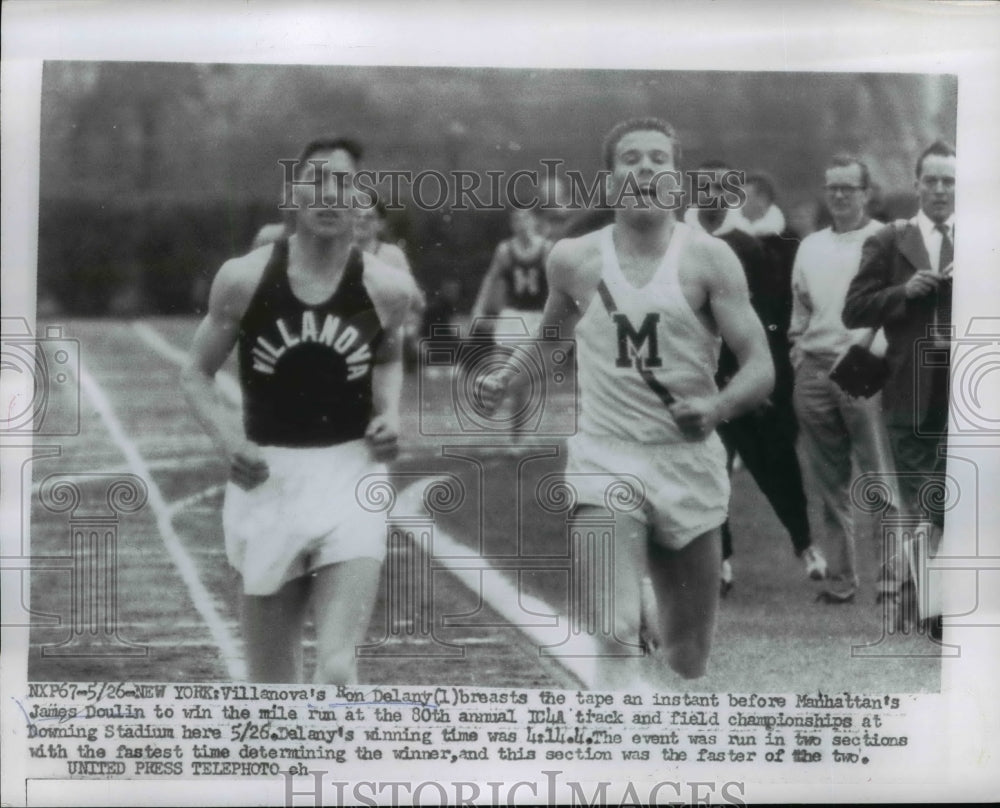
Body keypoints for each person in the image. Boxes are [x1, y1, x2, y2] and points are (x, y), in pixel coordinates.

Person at [482, 118, 774, 686]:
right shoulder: (573, 259)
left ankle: (647, 595)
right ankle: (612, 755)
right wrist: (508, 380)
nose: (644, 168)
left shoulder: (710, 260)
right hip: (604, 457)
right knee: (613, 631)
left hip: (685, 461)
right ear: (610, 177)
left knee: (687, 658)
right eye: (630, 159)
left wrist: (716, 409)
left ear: (676, 177)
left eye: (658, 159)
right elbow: (551, 337)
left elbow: (761, 366)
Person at [181, 135, 417, 683]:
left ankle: (337, 757)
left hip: (352, 472)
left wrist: (390, 414)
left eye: (345, 183)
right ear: (293, 193)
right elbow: (194, 373)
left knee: (336, 668)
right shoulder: (244, 279)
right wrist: (228, 440)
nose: (330, 195)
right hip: (269, 476)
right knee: (274, 692)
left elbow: (386, 359)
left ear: (361, 199)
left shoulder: (387, 288)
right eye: (316, 179)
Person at [687, 162, 823, 594]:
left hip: (742, 376)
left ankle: (804, 544)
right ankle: (721, 560)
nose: (710, 195)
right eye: (702, 187)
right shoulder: (678, 242)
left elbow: (766, 317)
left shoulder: (747, 246)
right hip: (696, 377)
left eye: (719, 187)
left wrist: (761, 379)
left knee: (775, 463)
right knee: (709, 470)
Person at [843, 140, 955, 632]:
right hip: (910, 391)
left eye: (949, 180)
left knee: (962, 501)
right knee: (923, 502)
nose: (939, 189)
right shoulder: (891, 241)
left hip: (972, 394)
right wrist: (903, 292)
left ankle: (937, 602)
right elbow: (854, 309)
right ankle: (931, 608)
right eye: (930, 180)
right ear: (916, 184)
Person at [789, 155, 899, 603]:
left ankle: (892, 579)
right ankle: (841, 581)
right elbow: (799, 306)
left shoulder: (885, 240)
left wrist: (875, 354)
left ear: (865, 192)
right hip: (814, 369)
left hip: (861, 365)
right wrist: (798, 348)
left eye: (848, 188)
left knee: (877, 477)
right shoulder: (810, 245)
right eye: (832, 187)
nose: (838, 195)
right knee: (830, 484)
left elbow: (896, 307)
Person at [471, 206, 553, 432]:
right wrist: (479, 308)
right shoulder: (505, 250)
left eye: (525, 218)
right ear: (512, 224)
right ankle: (492, 395)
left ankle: (517, 434)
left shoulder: (546, 249)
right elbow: (491, 278)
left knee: (522, 379)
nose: (521, 224)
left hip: (535, 315)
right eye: (516, 220)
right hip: (512, 313)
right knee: (499, 363)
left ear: (534, 221)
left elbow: (556, 283)